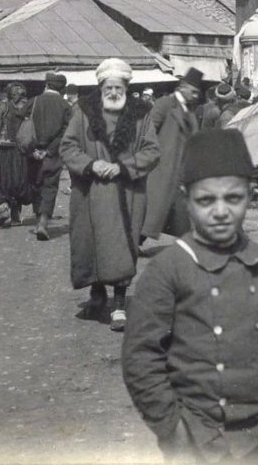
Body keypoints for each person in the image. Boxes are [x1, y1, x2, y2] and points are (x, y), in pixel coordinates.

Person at [123, 129, 258, 463]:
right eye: (206, 200)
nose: (220, 211)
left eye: (233, 198)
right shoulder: (169, 268)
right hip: (197, 437)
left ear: (251, 194)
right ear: (186, 199)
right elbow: (141, 357)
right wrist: (172, 427)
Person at [60, 59, 162, 330]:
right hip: (89, 190)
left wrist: (123, 167)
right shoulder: (82, 111)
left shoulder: (142, 113)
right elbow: (68, 146)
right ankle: (96, 292)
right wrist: (92, 164)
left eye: (119, 87)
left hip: (126, 191)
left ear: (127, 87)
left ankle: (119, 303)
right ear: (100, 85)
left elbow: (152, 150)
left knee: (124, 243)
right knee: (89, 241)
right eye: (109, 87)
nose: (114, 92)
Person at [142, 68, 205, 242]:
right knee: (155, 211)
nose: (195, 96)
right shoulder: (165, 104)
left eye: (197, 93)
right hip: (161, 168)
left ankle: (188, 247)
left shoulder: (189, 112)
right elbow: (148, 130)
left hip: (180, 172)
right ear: (183, 87)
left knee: (176, 214)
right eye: (193, 92)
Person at [29, 72, 72, 241]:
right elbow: (67, 132)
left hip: (33, 153)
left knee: (35, 184)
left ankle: (38, 218)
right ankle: (43, 222)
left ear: (46, 85)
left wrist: (32, 148)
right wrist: (50, 150)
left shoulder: (34, 101)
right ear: (62, 88)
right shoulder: (65, 105)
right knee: (50, 186)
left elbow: (20, 122)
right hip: (53, 154)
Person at [0, 82, 33, 228]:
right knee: (18, 181)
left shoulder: (4, 107)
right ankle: (15, 215)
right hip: (20, 150)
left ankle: (4, 209)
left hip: (3, 150)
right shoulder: (28, 109)